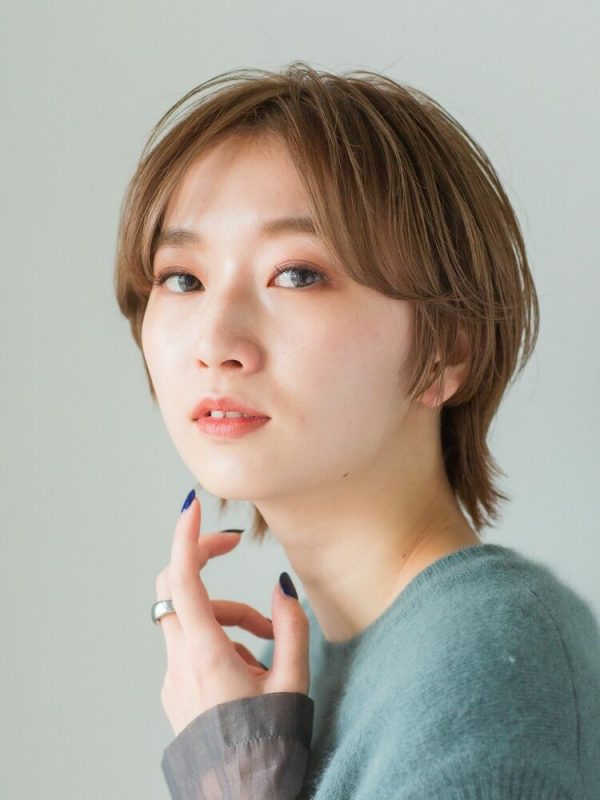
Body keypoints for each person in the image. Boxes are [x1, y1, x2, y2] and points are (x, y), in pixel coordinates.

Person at [114, 62, 600, 799]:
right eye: (183, 278)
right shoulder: (306, 661)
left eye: (297, 274)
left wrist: (233, 779)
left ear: (446, 350)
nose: (215, 342)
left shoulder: (489, 666)